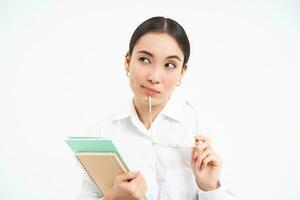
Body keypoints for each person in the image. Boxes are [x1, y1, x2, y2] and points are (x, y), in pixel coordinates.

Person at [77, 16, 236, 200]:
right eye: (145, 60)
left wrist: (209, 187)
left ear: (182, 73)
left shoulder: (202, 129)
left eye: (170, 65)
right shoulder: (100, 132)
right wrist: (113, 197)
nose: (154, 76)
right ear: (128, 61)